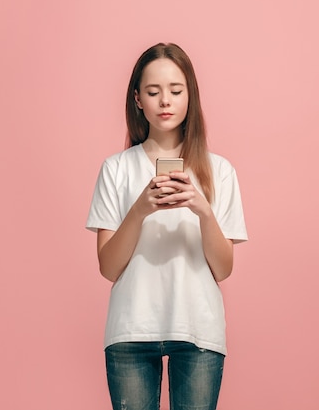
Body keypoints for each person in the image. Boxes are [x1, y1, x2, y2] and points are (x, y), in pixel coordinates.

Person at [86, 42, 248, 410]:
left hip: (199, 328)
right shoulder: (117, 169)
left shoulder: (219, 171)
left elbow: (223, 268)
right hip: (131, 328)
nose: (165, 101)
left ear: (190, 95)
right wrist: (140, 209)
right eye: (153, 91)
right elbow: (108, 267)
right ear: (138, 99)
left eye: (176, 91)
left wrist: (202, 211)